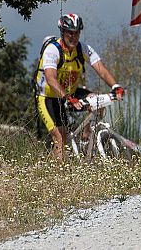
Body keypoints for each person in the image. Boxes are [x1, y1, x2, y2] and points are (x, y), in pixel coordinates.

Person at [34, 13, 124, 160]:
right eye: (70, 33)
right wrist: (67, 98)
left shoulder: (83, 48)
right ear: (62, 32)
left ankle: (86, 138)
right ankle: (59, 175)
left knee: (98, 102)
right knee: (60, 137)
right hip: (48, 97)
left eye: (77, 33)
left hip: (72, 92)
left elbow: (100, 68)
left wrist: (115, 86)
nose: (74, 37)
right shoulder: (52, 49)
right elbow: (51, 79)